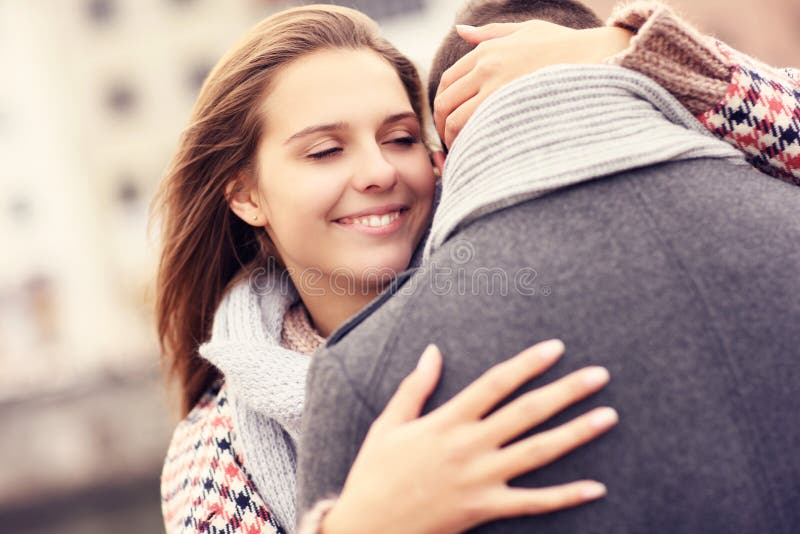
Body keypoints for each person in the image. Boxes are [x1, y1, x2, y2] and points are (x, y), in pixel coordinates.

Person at [155, 1, 800, 534]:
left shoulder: (537, 284)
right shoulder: (217, 453)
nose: (379, 172)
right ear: (245, 194)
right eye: (325, 151)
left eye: (402, 138)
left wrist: (621, 52)